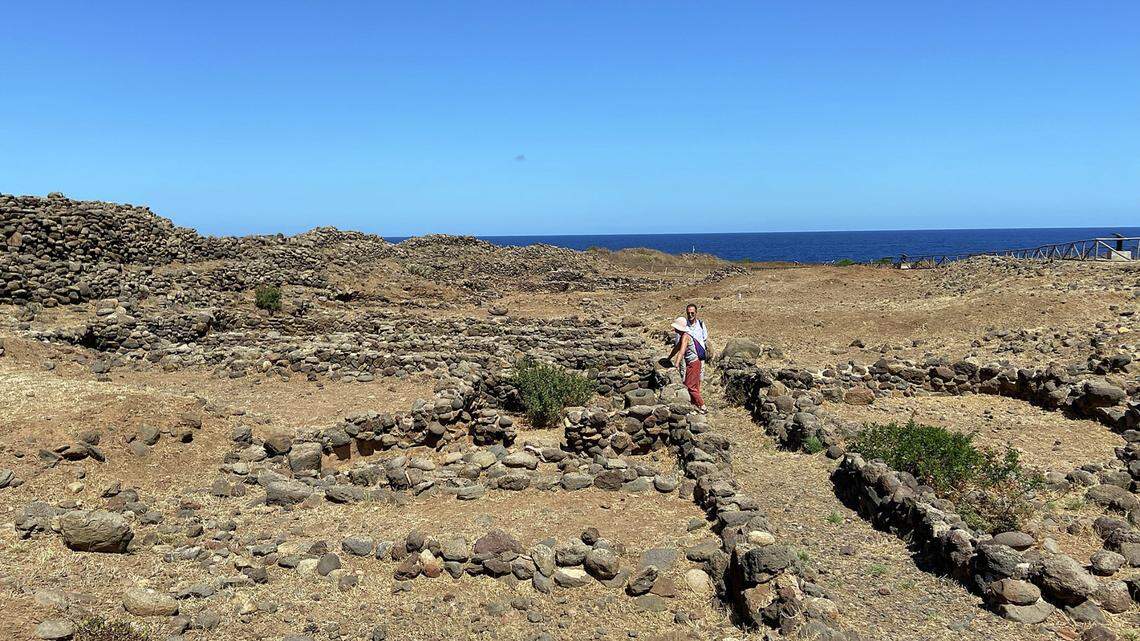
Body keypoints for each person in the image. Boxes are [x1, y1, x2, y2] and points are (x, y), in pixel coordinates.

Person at [668, 304, 709, 413]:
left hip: (694, 362)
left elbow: (681, 352)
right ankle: (695, 405)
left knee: (690, 386)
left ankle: (702, 406)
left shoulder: (685, 336)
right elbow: (676, 349)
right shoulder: (683, 336)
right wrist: (668, 358)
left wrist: (676, 365)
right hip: (692, 362)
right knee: (691, 384)